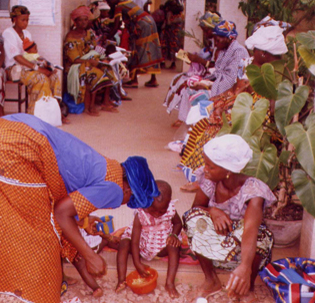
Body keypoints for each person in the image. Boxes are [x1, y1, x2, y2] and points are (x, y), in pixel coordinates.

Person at [0, 113, 160, 303]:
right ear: (129, 189)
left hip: (1, 133)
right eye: (129, 200)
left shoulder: (110, 167)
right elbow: (61, 212)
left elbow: (65, 191)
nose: (122, 203)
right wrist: (89, 255)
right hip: (15, 149)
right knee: (44, 230)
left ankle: (38, 280)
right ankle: (41, 295)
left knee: (28, 218)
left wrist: (83, 220)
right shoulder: (116, 189)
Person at [180, 25, 287, 192]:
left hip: (257, 116)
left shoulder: (278, 73)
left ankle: (206, 179)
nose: (252, 53)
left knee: (214, 131)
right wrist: (220, 103)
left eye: (256, 50)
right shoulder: (248, 64)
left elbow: (271, 108)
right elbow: (236, 90)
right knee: (202, 124)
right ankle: (201, 174)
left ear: (264, 53)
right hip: (241, 107)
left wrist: (227, 109)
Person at [183, 134, 276, 302]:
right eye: (206, 164)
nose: (205, 169)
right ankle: (211, 280)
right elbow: (195, 209)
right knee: (193, 218)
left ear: (228, 171)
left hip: (245, 252)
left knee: (263, 236)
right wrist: (213, 210)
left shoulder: (254, 190)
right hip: (215, 247)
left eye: (210, 167)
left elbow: (250, 230)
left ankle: (247, 287)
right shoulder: (210, 180)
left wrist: (245, 267)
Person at [115, 180, 182, 298]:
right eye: (153, 210)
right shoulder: (141, 214)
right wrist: (137, 262)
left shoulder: (170, 210)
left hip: (161, 243)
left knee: (174, 246)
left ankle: (170, 283)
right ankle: (121, 280)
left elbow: (178, 223)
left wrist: (174, 235)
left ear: (168, 203)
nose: (156, 214)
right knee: (124, 244)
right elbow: (135, 242)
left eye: (161, 211)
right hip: (142, 243)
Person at [164, 11, 222, 128]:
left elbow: (218, 68)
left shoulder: (221, 44)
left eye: (207, 30)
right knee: (179, 79)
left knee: (187, 85)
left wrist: (199, 60)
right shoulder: (213, 42)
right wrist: (195, 59)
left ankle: (184, 118)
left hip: (216, 78)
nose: (205, 33)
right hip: (209, 74)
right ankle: (183, 117)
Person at [2, 6, 61, 115]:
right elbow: (17, 57)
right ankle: (34, 114)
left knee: (53, 77)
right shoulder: (8, 33)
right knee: (41, 78)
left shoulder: (27, 34)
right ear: (14, 19)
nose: (26, 23)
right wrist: (37, 68)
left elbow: (32, 54)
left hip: (29, 67)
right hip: (15, 69)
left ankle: (53, 113)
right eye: (23, 20)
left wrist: (46, 65)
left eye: (27, 20)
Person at [64, 6, 118, 116]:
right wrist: (90, 62)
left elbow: (95, 49)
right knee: (94, 73)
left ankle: (105, 102)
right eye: (81, 20)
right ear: (75, 22)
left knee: (108, 68)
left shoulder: (89, 33)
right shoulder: (71, 38)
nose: (84, 22)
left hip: (91, 61)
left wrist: (104, 57)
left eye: (85, 19)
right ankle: (90, 106)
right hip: (76, 66)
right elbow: (74, 60)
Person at [106, 0, 163, 88]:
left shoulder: (119, 6)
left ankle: (134, 80)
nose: (109, 3)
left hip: (141, 25)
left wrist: (107, 38)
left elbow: (116, 26)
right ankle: (153, 79)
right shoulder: (128, 2)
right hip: (150, 21)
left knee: (135, 49)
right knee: (151, 48)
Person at [160, 1, 184, 70]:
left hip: (172, 33)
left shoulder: (173, 15)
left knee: (172, 48)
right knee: (170, 48)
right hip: (171, 33)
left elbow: (169, 22)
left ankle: (172, 64)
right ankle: (171, 63)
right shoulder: (178, 15)